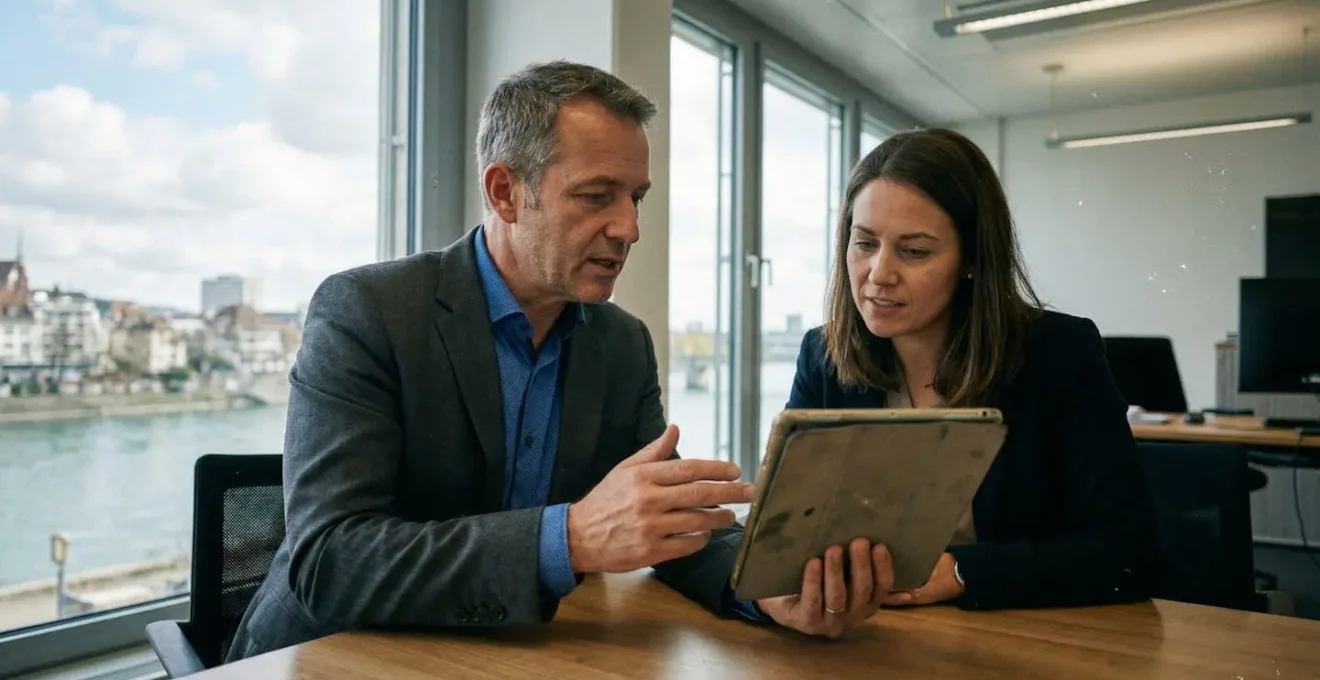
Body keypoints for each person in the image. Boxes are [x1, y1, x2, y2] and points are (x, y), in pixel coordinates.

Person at [227, 61, 892, 660]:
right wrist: (568, 538)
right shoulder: (367, 311)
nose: (629, 228)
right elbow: (329, 562)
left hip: (509, 656)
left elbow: (663, 528)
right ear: (505, 192)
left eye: (637, 198)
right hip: (322, 658)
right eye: (596, 195)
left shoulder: (621, 344)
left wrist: (764, 589)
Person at [786, 127, 1159, 611]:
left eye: (914, 251)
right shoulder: (823, 354)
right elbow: (791, 534)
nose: (879, 274)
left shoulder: (1057, 352)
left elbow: (1129, 552)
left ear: (972, 260)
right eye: (865, 244)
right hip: (868, 634)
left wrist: (962, 572)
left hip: (1018, 640)